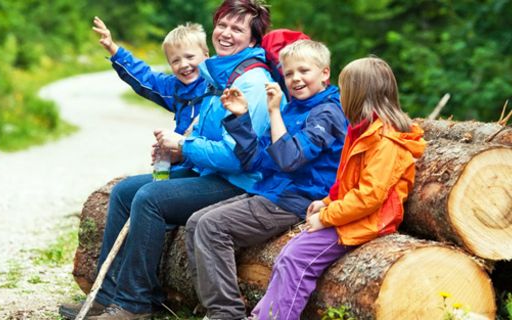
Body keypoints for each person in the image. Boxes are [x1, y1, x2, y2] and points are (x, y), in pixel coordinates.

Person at [59, 1, 275, 319]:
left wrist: (184, 146)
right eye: (223, 25)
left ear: (253, 40)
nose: (226, 33)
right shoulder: (220, 70)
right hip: (209, 171)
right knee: (124, 192)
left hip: (239, 183)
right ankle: (106, 295)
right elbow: (167, 91)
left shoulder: (251, 83)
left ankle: (135, 304)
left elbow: (237, 158)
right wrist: (177, 150)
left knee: (150, 198)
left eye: (237, 29)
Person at [249, 56, 426, 320]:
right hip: (352, 213)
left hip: (370, 220)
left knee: (296, 258)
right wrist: (328, 202)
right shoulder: (363, 130)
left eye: (345, 89)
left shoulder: (387, 141)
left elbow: (369, 197)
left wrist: (326, 217)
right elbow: (348, 182)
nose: (341, 95)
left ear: (359, 94)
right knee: (289, 253)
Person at [184, 39, 347, 320]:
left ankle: (226, 314)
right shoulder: (294, 109)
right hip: (272, 190)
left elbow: (290, 159)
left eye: (303, 71)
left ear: (324, 73)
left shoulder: (328, 113)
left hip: (299, 199)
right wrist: (241, 118)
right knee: (196, 221)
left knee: (212, 226)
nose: (295, 79)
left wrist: (273, 112)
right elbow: (256, 160)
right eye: (288, 73)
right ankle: (209, 306)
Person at [92, 17, 209, 136]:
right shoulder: (173, 87)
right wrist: (112, 48)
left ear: (206, 56)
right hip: (185, 151)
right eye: (175, 61)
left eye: (190, 57)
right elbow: (145, 76)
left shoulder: (217, 85)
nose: (183, 65)